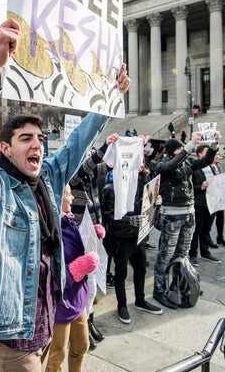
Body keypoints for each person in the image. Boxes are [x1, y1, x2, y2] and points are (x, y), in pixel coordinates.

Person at [0, 18, 131, 371]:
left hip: (46, 326)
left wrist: (112, 96)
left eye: (40, 139)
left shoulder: (48, 179)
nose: (37, 144)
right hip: (12, 336)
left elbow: (79, 141)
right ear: (4, 148)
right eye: (25, 139)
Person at [151, 132, 217, 310]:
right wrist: (189, 146)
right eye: (180, 149)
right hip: (171, 215)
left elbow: (204, 162)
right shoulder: (162, 164)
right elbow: (172, 165)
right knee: (165, 255)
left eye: (183, 149)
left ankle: (180, 284)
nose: (184, 152)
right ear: (172, 152)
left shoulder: (186, 161)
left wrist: (213, 146)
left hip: (189, 212)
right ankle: (159, 290)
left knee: (182, 253)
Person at [68, 136, 117, 348]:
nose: (90, 156)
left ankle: (90, 321)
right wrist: (104, 146)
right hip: (79, 236)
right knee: (85, 283)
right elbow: (88, 165)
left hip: (93, 234)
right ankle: (82, 327)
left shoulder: (91, 175)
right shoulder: (74, 175)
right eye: (86, 152)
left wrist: (126, 148)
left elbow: (109, 165)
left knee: (94, 283)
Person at [45, 185, 100, 372]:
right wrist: (78, 268)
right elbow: (46, 276)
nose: (72, 199)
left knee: (82, 345)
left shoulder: (67, 220)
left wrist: (91, 236)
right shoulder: (48, 230)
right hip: (60, 307)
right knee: (55, 358)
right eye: (67, 195)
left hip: (78, 299)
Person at [102, 165, 163, 323]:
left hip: (138, 237)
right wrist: (129, 220)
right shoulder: (110, 189)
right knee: (121, 273)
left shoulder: (140, 184)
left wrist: (156, 203)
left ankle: (140, 300)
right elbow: (108, 220)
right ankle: (122, 305)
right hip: (120, 239)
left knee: (141, 269)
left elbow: (147, 208)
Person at [189, 144, 221, 265]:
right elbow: (189, 186)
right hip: (199, 203)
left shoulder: (212, 167)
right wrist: (200, 187)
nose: (210, 155)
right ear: (200, 154)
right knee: (196, 230)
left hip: (210, 203)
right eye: (207, 152)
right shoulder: (195, 167)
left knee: (206, 229)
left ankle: (205, 251)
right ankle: (193, 254)